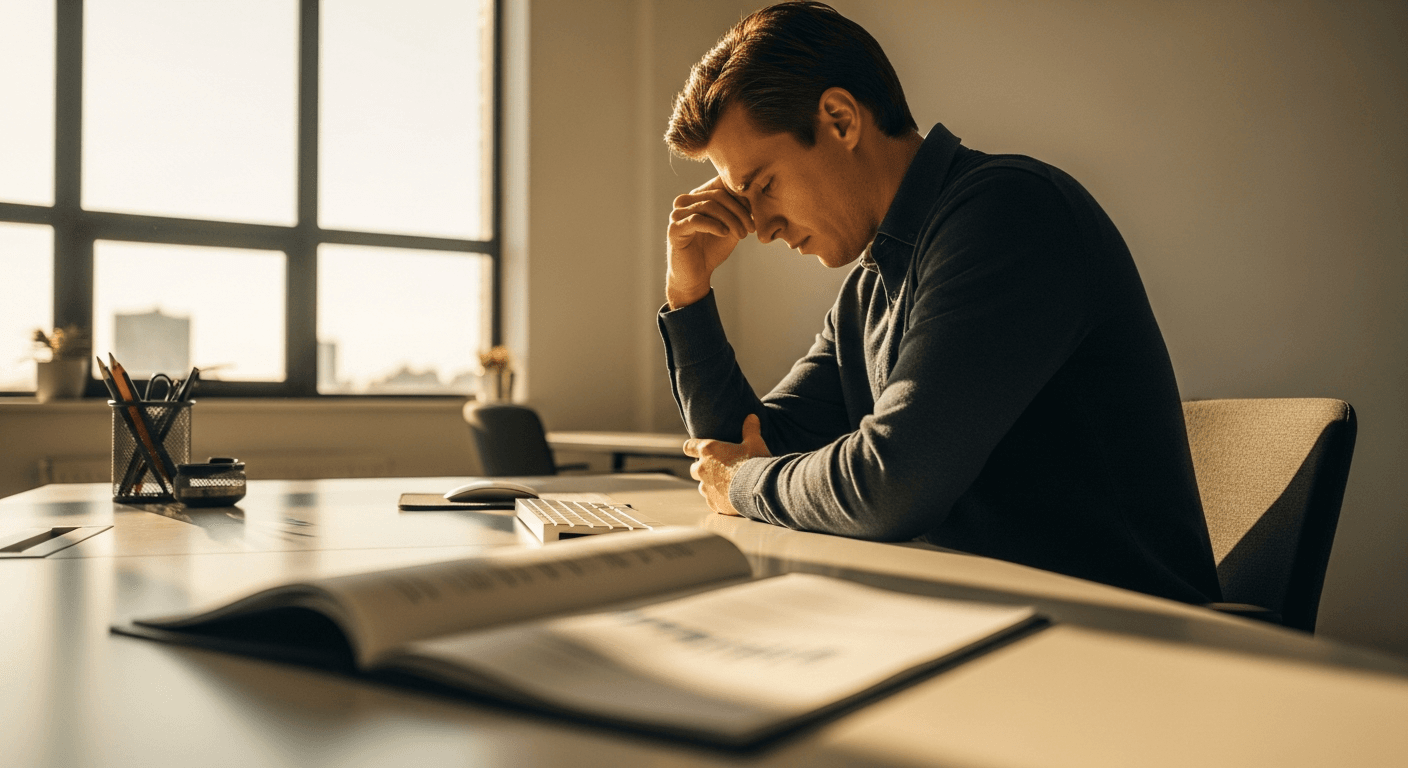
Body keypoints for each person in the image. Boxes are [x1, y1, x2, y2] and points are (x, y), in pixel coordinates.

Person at [660, 1, 1221, 603]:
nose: (760, 227)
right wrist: (689, 294)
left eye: (763, 185)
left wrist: (743, 484)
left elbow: (893, 483)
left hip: (1130, 643)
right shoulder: (873, 286)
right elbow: (755, 443)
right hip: (995, 625)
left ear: (841, 120)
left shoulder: (1009, 215)